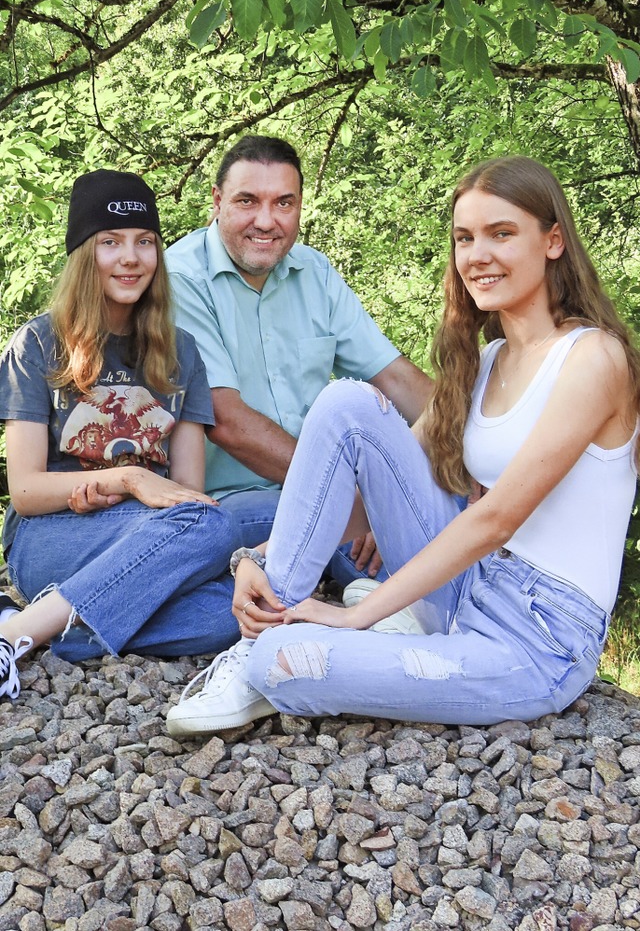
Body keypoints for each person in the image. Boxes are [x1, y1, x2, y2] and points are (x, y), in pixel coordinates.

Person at [166, 155, 640, 735]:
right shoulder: (489, 361)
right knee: (346, 404)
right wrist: (257, 561)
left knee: (284, 663)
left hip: (538, 639)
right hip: (470, 586)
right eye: (465, 238)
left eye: (501, 233)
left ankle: (300, 642)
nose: (478, 255)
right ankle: (267, 622)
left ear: (553, 241)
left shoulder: (594, 358)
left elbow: (495, 517)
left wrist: (359, 615)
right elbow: (368, 483)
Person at [0, 169, 243, 701]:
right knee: (213, 529)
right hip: (49, 535)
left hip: (149, 535)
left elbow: (188, 490)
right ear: (85, 254)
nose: (130, 258)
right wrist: (129, 476)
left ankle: (53, 626)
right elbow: (24, 491)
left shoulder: (181, 351)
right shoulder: (38, 344)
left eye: (145, 242)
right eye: (110, 242)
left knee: (228, 614)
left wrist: (149, 501)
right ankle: (11, 635)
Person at [165, 134, 433, 586]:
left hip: (330, 488)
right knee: (397, 564)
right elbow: (225, 420)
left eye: (284, 203)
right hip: (237, 498)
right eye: (247, 201)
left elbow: (396, 378)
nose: (266, 221)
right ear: (216, 201)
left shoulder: (315, 271)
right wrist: (354, 495)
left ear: (301, 206)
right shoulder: (180, 277)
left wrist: (466, 450)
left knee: (441, 541)